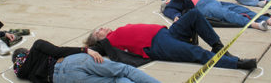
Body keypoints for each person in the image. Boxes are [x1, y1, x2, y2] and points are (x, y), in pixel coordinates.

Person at [86, 9, 258, 70]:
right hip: (157, 44)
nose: (102, 28)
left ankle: (218, 47)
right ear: (97, 39)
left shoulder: (117, 31)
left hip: (166, 32)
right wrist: (88, 49)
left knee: (194, 14)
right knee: (196, 53)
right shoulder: (106, 44)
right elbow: (91, 50)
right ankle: (236, 64)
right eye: (98, 31)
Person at [12, 39, 160, 83]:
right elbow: (58, 51)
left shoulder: (23, 73)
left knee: (116, 81)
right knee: (124, 70)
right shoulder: (37, 46)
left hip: (62, 79)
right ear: (26, 51)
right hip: (69, 61)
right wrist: (85, 50)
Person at [161, 0, 271, 31]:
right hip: (203, 5)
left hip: (212, 1)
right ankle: (255, 24)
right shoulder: (172, 3)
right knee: (227, 15)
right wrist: (176, 16)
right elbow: (170, 10)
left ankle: (270, 20)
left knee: (242, 10)